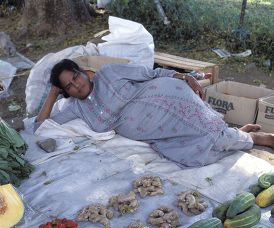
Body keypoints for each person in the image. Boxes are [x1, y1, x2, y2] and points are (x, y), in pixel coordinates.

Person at [35, 58, 274, 167]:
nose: (76, 85)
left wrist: (184, 77)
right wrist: (52, 93)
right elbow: (41, 126)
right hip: (157, 132)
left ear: (83, 71)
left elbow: (152, 73)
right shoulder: (77, 107)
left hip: (167, 98)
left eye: (75, 76)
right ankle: (238, 134)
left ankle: (257, 138)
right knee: (194, 156)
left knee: (212, 135)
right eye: (68, 86)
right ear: (65, 91)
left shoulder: (109, 73)